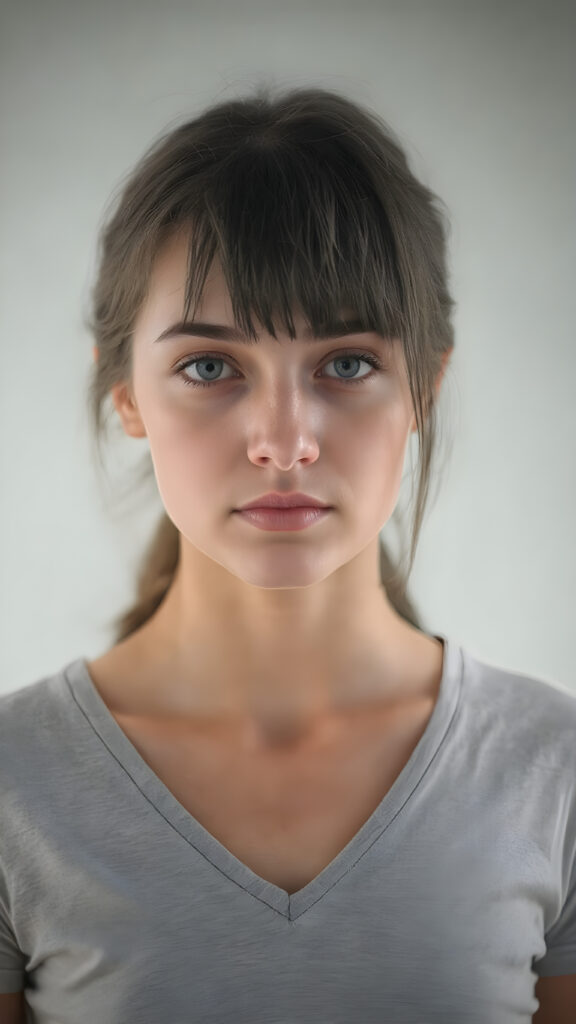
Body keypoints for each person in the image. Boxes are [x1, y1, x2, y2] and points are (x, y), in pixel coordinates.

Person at [0, 82, 574, 1023]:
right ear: (129, 395)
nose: (283, 440)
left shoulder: (556, 774)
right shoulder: (16, 786)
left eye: (347, 363)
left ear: (424, 386)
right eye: (210, 367)